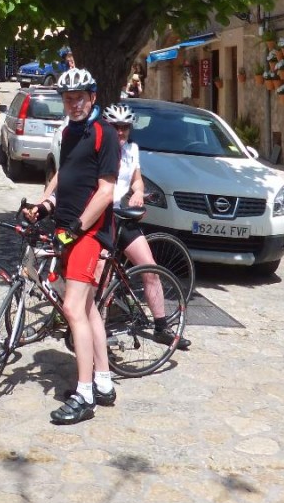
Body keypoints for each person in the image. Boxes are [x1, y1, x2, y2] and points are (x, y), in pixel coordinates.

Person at [24, 67, 118, 424]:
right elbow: (65, 175)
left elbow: (106, 190)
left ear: (92, 97)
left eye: (79, 97)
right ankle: (104, 382)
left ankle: (84, 395)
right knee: (90, 308)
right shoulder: (69, 132)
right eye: (67, 98)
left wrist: (79, 226)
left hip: (89, 234)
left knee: (73, 308)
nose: (73, 104)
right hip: (69, 229)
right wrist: (44, 202)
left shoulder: (103, 133)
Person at [103, 104, 189, 351]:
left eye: (125, 128)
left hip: (123, 217)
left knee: (150, 270)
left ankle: (161, 326)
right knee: (104, 280)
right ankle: (102, 329)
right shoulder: (99, 150)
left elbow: (136, 179)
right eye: (115, 127)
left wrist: (138, 192)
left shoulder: (132, 150)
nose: (120, 132)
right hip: (103, 219)